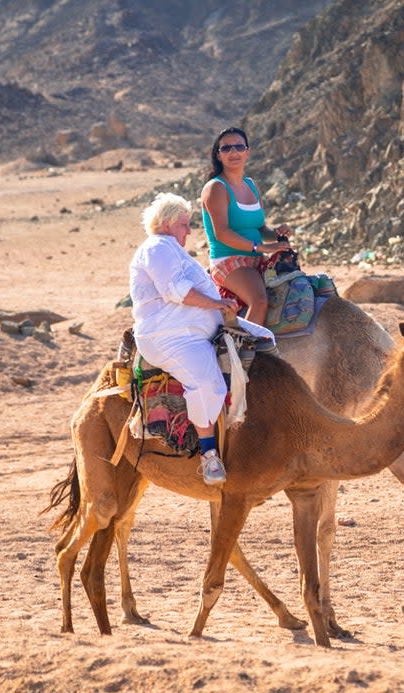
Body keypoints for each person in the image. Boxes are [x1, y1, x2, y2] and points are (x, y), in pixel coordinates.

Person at [129, 192, 237, 485]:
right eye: (183, 224)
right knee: (206, 383)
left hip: (191, 331)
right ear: (166, 224)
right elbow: (175, 291)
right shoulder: (158, 247)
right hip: (171, 337)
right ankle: (209, 454)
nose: (189, 231)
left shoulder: (170, 249)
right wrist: (217, 305)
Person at [200, 126, 293, 325]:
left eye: (239, 147)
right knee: (259, 301)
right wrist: (260, 248)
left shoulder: (251, 184)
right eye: (226, 148)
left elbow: (261, 229)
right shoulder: (216, 187)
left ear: (247, 152)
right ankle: (244, 352)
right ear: (218, 155)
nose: (233, 152)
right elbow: (222, 233)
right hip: (229, 260)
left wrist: (276, 234)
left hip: (256, 257)